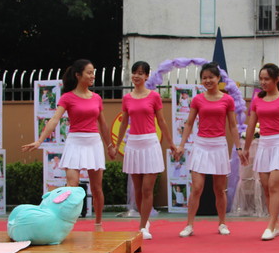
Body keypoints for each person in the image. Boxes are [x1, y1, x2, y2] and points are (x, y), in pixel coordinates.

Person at [22, 59, 117, 231]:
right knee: (72, 186)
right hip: (75, 142)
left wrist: (110, 145)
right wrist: (40, 140)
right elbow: (54, 119)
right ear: (78, 75)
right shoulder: (67, 97)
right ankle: (66, 225)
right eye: (89, 72)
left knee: (96, 188)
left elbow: (103, 124)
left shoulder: (96, 98)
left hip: (93, 142)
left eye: (93, 72)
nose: (92, 76)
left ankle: (98, 223)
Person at [173, 62, 241, 237]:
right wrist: (181, 145)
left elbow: (233, 126)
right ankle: (189, 225)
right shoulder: (197, 99)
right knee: (197, 188)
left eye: (211, 77)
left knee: (219, 189)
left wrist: (239, 147)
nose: (208, 80)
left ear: (218, 78)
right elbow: (189, 123)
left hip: (219, 145)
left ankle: (222, 223)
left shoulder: (227, 100)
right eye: (204, 78)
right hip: (201, 145)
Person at [239, 63, 279, 240]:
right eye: (261, 79)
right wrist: (246, 149)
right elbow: (251, 125)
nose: (263, 82)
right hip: (264, 144)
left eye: (266, 79)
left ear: (276, 79)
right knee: (267, 188)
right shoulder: (257, 100)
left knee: (274, 185)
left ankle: (270, 226)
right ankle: (276, 225)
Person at [115, 61, 176, 240]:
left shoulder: (154, 96)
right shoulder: (127, 98)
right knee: (138, 189)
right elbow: (124, 123)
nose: (137, 76)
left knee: (147, 189)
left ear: (147, 76)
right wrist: (117, 145)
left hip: (150, 143)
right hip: (133, 144)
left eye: (141, 73)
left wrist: (171, 143)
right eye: (135, 72)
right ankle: (145, 220)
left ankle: (142, 226)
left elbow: (162, 121)